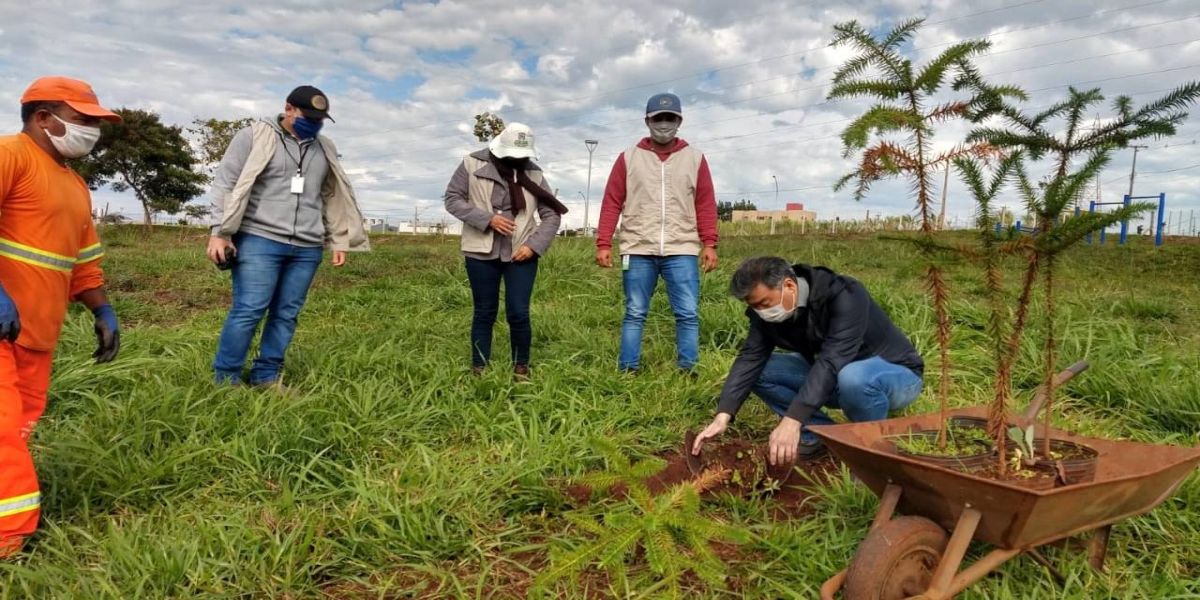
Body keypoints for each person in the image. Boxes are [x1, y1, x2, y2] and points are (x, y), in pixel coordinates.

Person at [1, 76, 123, 557]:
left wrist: (102, 308)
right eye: (81, 119)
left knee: (19, 430)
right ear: (43, 117)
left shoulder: (75, 186)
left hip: (36, 334)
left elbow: (83, 262)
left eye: (95, 121)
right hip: (3, 330)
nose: (92, 129)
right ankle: (9, 539)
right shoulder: (10, 155)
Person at [206, 85, 368, 387]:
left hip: (307, 246)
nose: (315, 125)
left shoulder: (324, 148)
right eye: (309, 118)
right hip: (259, 238)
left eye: (320, 120)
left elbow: (330, 195)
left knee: (286, 313)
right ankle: (226, 378)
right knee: (250, 309)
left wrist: (339, 239)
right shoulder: (255, 135)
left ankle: (266, 376)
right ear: (289, 108)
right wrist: (220, 232)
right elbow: (225, 183)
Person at [692, 257, 925, 466]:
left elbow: (832, 360)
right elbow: (751, 357)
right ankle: (821, 434)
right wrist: (723, 415)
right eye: (753, 306)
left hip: (894, 374)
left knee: (854, 378)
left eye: (764, 303)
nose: (761, 312)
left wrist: (792, 420)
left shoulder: (844, 294)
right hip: (834, 375)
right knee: (762, 371)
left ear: (789, 286)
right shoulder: (767, 312)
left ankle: (867, 451)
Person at [595, 92, 718, 373]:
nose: (664, 124)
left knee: (687, 313)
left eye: (670, 118)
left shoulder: (695, 158)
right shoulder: (629, 158)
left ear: (679, 121)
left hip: (682, 248)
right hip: (637, 247)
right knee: (635, 312)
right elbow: (612, 201)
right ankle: (628, 370)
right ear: (647, 121)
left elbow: (705, 203)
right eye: (658, 118)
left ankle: (688, 370)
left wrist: (709, 243)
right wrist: (604, 243)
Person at [444, 123, 566, 377]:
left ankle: (521, 367)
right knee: (484, 312)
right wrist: (487, 219)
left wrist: (533, 246)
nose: (517, 159)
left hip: (521, 253)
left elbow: (552, 214)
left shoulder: (534, 174)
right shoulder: (471, 164)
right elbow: (453, 199)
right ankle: (479, 367)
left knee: (519, 312)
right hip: (480, 252)